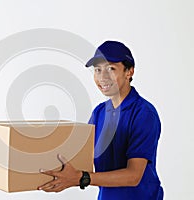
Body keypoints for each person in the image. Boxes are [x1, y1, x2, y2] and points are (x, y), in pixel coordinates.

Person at [38, 41, 164, 200]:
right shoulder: (99, 112)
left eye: (111, 69)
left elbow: (133, 176)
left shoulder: (143, 114)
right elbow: (83, 156)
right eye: (98, 70)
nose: (102, 77)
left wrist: (81, 178)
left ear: (129, 71)